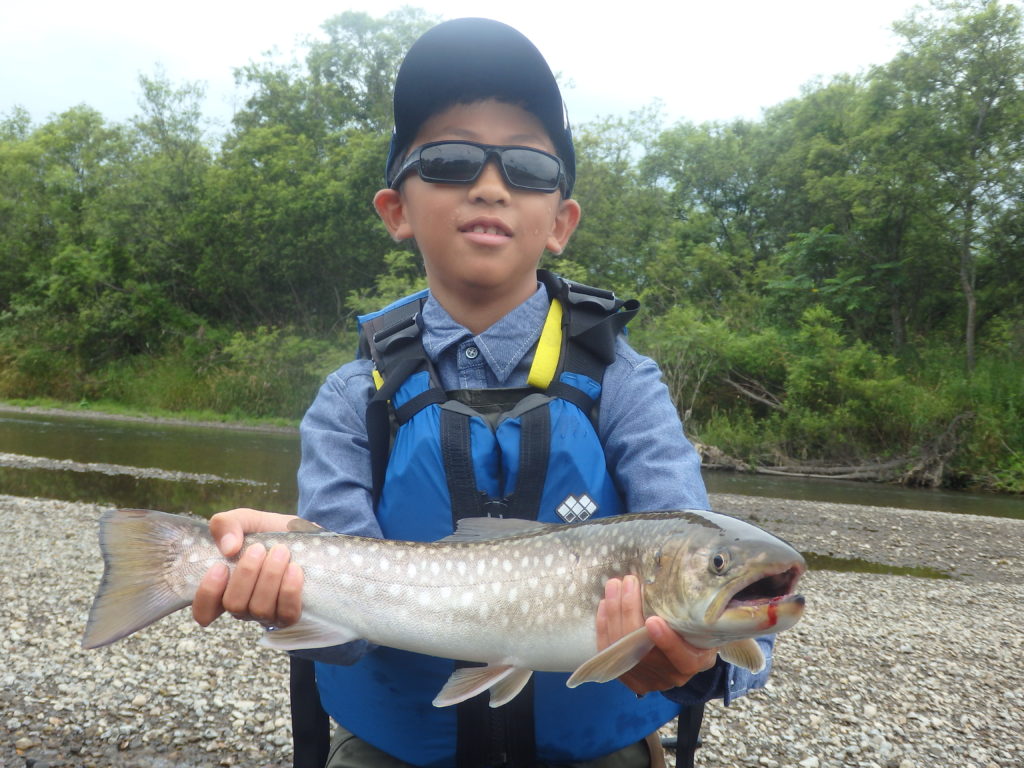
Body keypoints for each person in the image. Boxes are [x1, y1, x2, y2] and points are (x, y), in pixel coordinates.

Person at [191, 17, 773, 768]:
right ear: (395, 210)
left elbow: (700, 558)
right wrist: (281, 590)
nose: (490, 184)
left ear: (561, 222)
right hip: (396, 748)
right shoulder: (349, 399)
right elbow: (349, 637)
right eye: (451, 159)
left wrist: (705, 660)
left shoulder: (626, 383)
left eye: (527, 167)